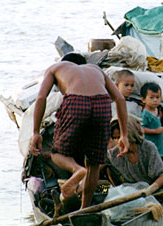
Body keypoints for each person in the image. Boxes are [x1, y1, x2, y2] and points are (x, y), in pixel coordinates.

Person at [29, 52, 129, 209]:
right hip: (102, 103)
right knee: (94, 163)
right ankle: (85, 210)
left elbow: (41, 98)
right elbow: (120, 99)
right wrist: (124, 135)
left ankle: (77, 170)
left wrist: (35, 132)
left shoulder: (55, 68)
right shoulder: (96, 69)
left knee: (57, 154)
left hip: (77, 102)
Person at [107, 114, 163, 192]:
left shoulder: (148, 148)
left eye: (119, 137)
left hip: (151, 189)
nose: (117, 141)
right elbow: (96, 166)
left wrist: (148, 191)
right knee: (102, 188)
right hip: (127, 191)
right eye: (114, 138)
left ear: (130, 133)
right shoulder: (114, 154)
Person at [140, 82, 163, 157]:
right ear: (144, 99)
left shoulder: (156, 111)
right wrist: (156, 131)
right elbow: (141, 129)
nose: (155, 100)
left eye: (157, 97)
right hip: (150, 149)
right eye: (151, 97)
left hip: (158, 147)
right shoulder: (145, 114)